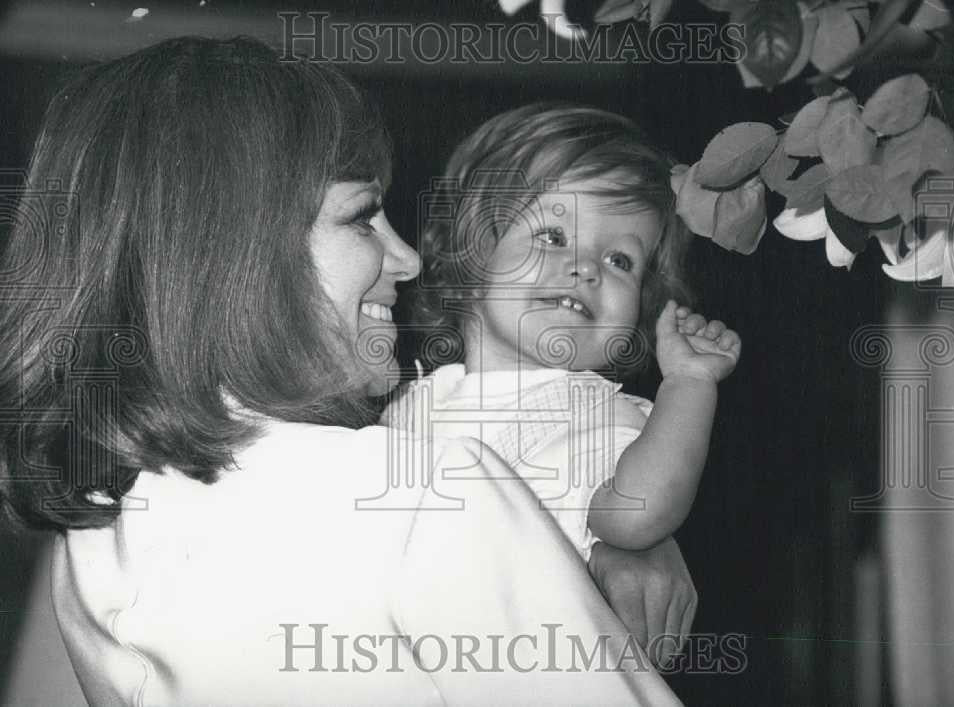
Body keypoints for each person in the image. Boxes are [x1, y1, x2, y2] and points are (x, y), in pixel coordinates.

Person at [0, 37, 695, 705]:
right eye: (363, 219)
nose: (409, 259)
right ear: (239, 248)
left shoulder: (92, 535)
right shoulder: (426, 495)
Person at [385, 104, 740, 560]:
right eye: (553, 237)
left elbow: (638, 514)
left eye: (620, 261)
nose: (587, 267)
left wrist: (689, 384)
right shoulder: (412, 405)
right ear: (473, 247)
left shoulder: (589, 414)